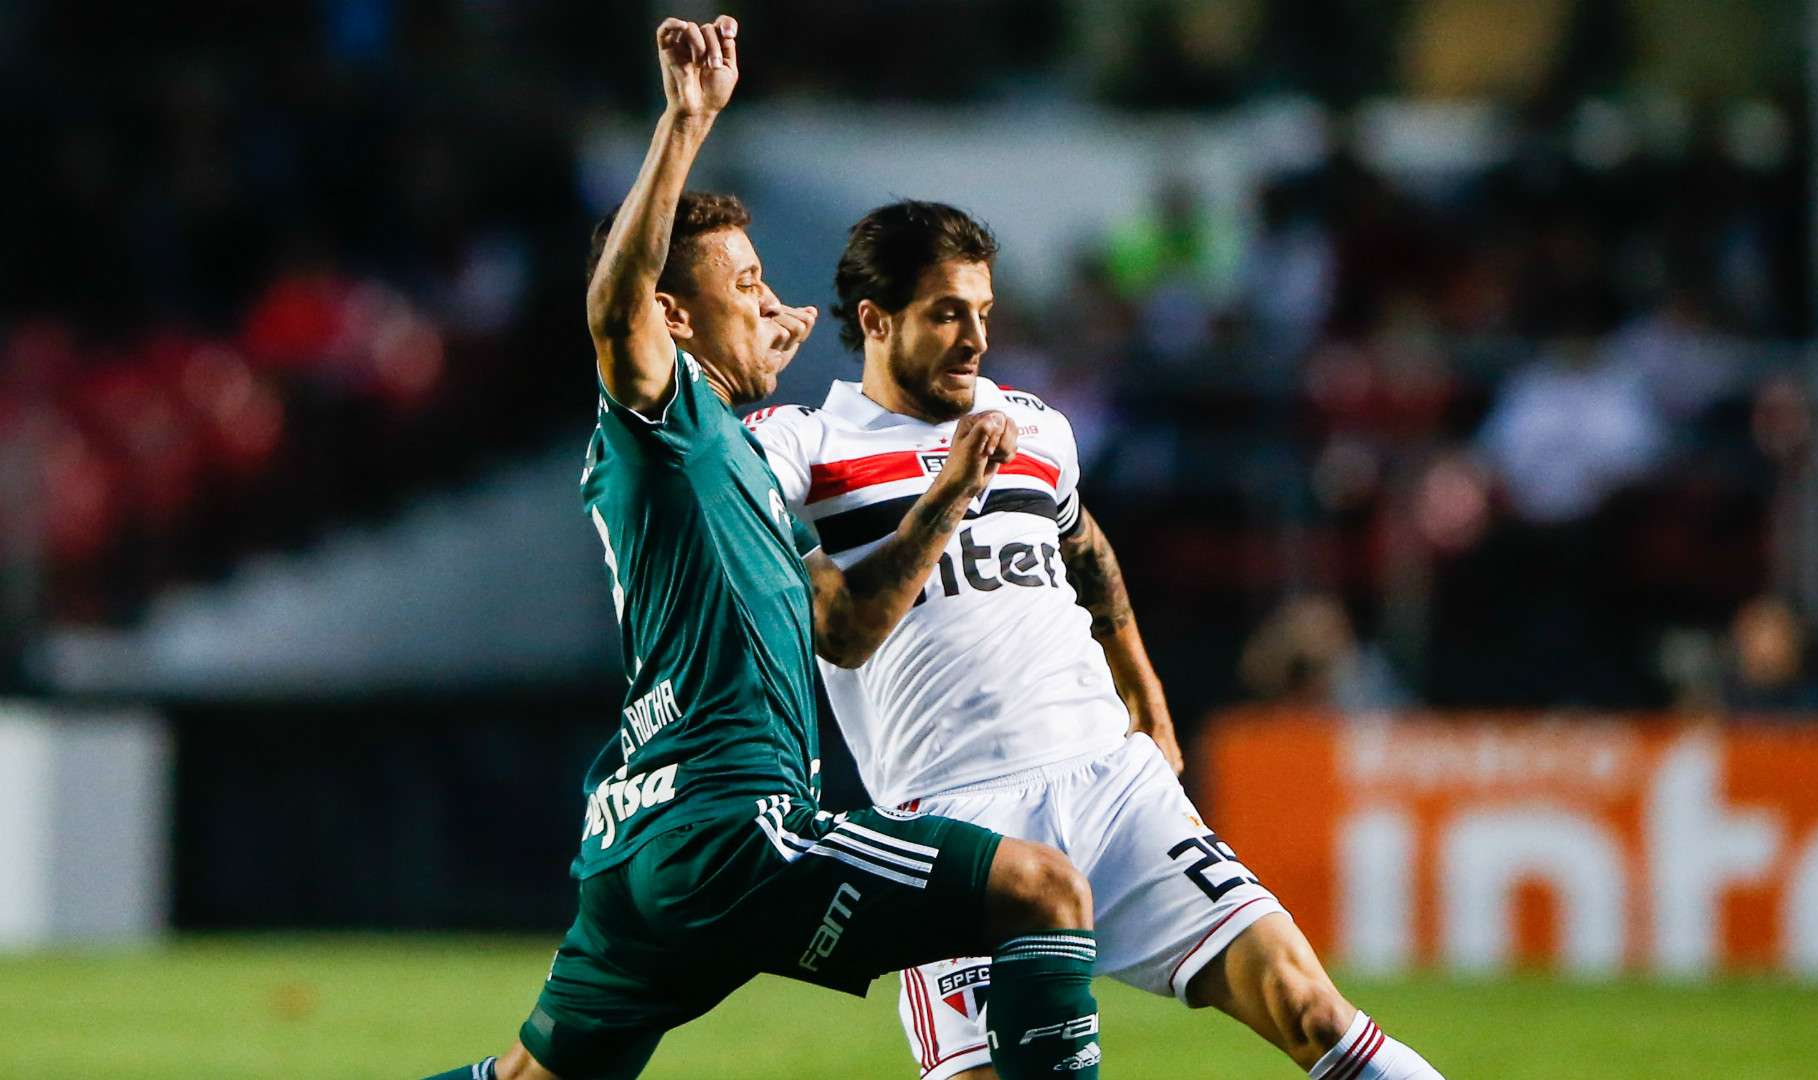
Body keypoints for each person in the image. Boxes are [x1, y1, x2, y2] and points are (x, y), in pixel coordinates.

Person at [425, 20, 1102, 1080]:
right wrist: (685, 124)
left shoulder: (732, 453)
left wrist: (929, 487)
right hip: (734, 823)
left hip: (638, 837)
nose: (769, 301)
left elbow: (848, 626)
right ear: (672, 318)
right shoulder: (662, 416)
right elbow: (616, 308)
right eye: (742, 285)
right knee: (1044, 890)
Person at [751, 201, 1447, 1080]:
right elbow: (840, 633)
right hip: (952, 823)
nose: (975, 338)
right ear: (875, 321)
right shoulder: (805, 450)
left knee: (1312, 1009)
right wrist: (954, 489)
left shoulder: (1035, 428)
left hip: (1108, 784)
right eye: (946, 313)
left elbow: (1084, 546)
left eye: (984, 312)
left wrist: (1145, 696)